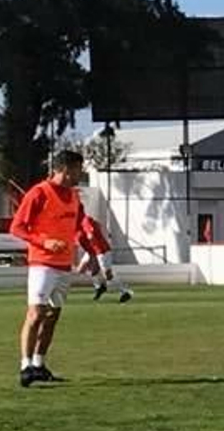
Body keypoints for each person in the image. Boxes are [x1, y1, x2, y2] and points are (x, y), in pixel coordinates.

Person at [8, 149, 87, 387]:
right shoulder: (39, 193)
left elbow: (79, 225)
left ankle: (39, 364)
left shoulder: (74, 196)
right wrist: (44, 241)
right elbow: (17, 227)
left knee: (53, 315)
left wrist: (89, 250)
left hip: (64, 265)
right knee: (36, 314)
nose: (79, 174)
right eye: (77, 169)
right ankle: (25, 366)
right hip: (42, 263)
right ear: (64, 169)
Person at [74, 213, 132, 304]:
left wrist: (91, 233)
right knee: (82, 270)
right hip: (91, 251)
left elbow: (91, 232)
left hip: (101, 250)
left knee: (107, 275)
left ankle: (125, 292)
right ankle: (100, 287)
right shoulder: (73, 225)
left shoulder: (85, 220)